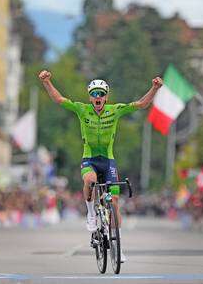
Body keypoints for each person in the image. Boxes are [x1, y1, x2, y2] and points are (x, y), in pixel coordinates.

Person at [38, 70, 163, 263]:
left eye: (101, 94)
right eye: (94, 94)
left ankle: (118, 248)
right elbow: (59, 99)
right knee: (90, 179)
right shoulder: (82, 109)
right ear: (90, 97)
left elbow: (141, 104)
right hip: (89, 158)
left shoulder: (115, 110)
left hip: (108, 160)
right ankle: (90, 213)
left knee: (113, 203)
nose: (98, 97)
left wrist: (154, 88)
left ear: (106, 97)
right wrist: (47, 82)